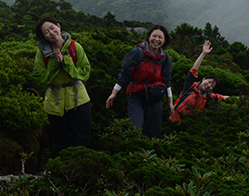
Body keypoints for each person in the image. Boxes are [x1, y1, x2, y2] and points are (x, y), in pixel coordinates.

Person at [34, 17, 92, 155]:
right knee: (60, 142)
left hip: (79, 100)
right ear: (44, 37)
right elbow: (39, 79)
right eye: (46, 32)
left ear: (59, 26)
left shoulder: (75, 47)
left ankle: (82, 171)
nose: (52, 32)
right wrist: (54, 64)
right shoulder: (42, 53)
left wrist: (67, 64)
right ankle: (63, 173)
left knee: (82, 140)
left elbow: (85, 73)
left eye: (52, 27)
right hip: (55, 103)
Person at [105, 25, 174, 138]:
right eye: (154, 36)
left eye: (160, 37)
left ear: (164, 40)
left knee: (154, 132)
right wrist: (114, 94)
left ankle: (146, 154)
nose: (156, 40)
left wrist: (170, 103)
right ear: (148, 37)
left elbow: (167, 81)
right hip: (136, 96)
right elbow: (124, 75)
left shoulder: (165, 58)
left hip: (155, 98)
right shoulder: (137, 53)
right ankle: (125, 153)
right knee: (135, 128)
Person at [170, 40, 232, 123]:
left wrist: (242, 98)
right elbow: (194, 70)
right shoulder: (191, 86)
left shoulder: (207, 97)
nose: (209, 85)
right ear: (204, 79)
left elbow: (222, 97)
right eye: (209, 82)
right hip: (174, 120)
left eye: (212, 86)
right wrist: (203, 53)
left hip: (188, 125)